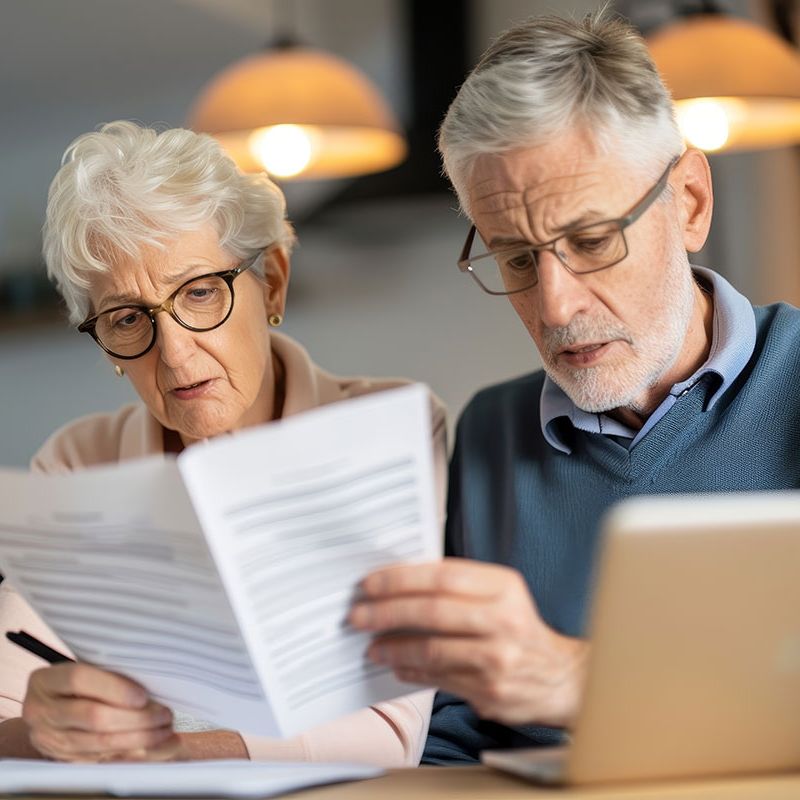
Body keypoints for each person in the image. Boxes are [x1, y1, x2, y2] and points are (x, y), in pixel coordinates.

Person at [347, 9, 800, 763]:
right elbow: (460, 735)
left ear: (688, 202)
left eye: (590, 241)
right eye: (516, 259)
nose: (555, 305)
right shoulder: (491, 431)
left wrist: (584, 681)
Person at [0, 121, 446, 764]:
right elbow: (8, 716)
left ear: (273, 282)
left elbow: (391, 732)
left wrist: (172, 753)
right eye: (128, 318)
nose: (176, 357)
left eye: (201, 291)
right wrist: (44, 733)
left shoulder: (390, 426)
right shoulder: (76, 463)